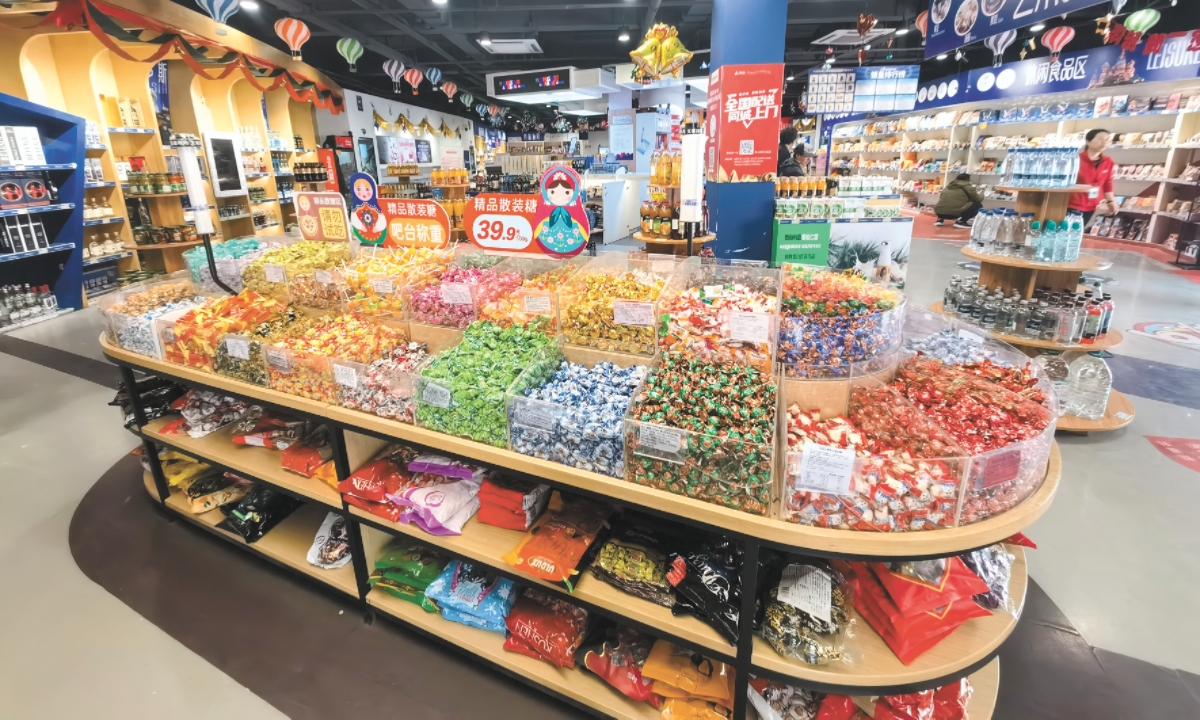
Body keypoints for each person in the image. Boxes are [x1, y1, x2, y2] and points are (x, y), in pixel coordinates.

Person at [1069, 129, 1117, 225]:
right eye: (1100, 139)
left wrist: (1111, 201)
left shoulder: (1108, 161)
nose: (1104, 142)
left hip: (1093, 205)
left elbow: (1108, 183)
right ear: (1088, 141)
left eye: (1107, 140)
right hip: (1071, 204)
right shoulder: (1075, 159)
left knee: (1080, 231)